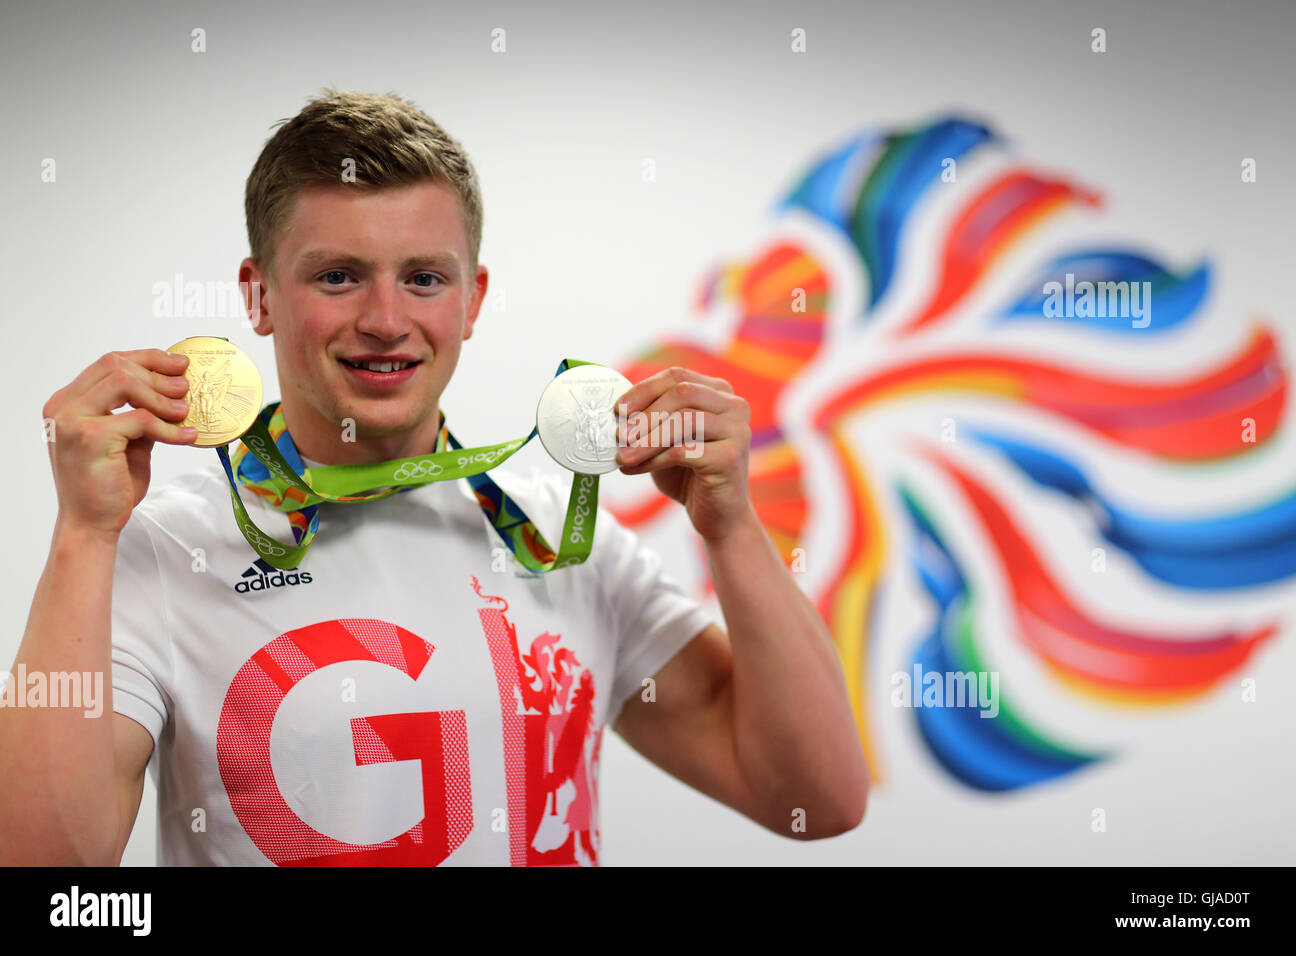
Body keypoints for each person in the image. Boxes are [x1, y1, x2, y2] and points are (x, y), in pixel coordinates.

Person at [0, 89, 867, 866]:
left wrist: (734, 528)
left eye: (423, 279)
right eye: (337, 277)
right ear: (259, 296)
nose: (386, 321)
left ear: (472, 300)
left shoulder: (564, 538)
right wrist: (82, 535)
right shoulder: (160, 549)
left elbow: (815, 802)